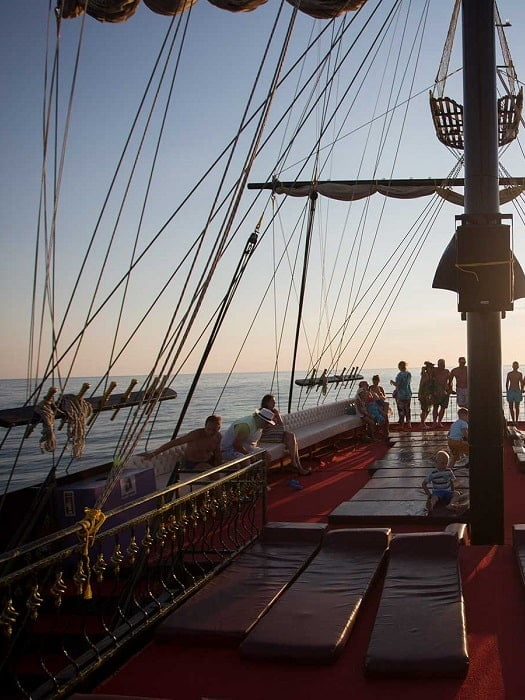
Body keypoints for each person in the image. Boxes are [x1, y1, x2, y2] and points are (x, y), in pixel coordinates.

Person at [145, 414, 222, 471]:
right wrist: (153, 454)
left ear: (218, 428)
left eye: (214, 430)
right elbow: (174, 443)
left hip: (208, 460)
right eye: (209, 429)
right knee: (212, 473)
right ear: (205, 426)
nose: (211, 432)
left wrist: (219, 462)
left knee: (227, 467)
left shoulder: (218, 437)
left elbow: (217, 452)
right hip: (193, 463)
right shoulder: (196, 434)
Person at [258, 394, 311, 475]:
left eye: (275, 402)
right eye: (273, 402)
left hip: (275, 434)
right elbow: (261, 427)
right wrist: (271, 425)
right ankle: (296, 465)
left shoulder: (274, 411)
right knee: (291, 437)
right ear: (267, 402)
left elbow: (281, 425)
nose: (274, 403)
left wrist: (277, 414)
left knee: (292, 439)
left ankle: (297, 465)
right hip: (265, 436)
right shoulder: (262, 412)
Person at [422, 450, 464, 514]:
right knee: (434, 498)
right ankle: (431, 506)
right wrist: (429, 495)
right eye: (442, 463)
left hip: (447, 492)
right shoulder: (433, 473)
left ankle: (450, 504)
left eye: (446, 463)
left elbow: (451, 481)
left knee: (457, 494)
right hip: (437, 493)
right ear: (436, 463)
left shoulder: (449, 471)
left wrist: (453, 491)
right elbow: (424, 484)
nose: (444, 465)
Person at [390, 360, 412, 429]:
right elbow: (407, 384)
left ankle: (401, 425)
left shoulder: (400, 375)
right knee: (407, 410)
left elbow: (398, 385)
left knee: (401, 410)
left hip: (401, 395)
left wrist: (392, 382)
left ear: (400, 367)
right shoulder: (408, 374)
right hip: (408, 394)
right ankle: (409, 424)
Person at [430, 358, 450, 429]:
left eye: (443, 364)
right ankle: (434, 422)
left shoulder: (447, 371)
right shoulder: (434, 370)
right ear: (438, 364)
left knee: (443, 408)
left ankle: (439, 422)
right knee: (435, 407)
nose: (442, 365)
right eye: (440, 364)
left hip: (445, 392)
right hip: (436, 392)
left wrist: (450, 390)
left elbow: (450, 381)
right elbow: (430, 379)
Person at [506, 361, 524, 425]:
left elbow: (521, 383)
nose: (515, 367)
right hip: (511, 391)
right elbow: (507, 383)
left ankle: (516, 421)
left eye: (516, 366)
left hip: (517, 391)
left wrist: (521, 390)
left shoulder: (520, 374)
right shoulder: (509, 374)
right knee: (511, 407)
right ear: (512, 366)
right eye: (514, 365)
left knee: (517, 407)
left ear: (518, 366)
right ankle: (513, 421)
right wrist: (507, 392)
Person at [417, 362, 434, 429]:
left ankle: (422, 422)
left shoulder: (430, 375)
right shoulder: (425, 375)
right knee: (424, 409)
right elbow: (421, 385)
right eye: (431, 368)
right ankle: (422, 423)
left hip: (428, 395)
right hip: (424, 395)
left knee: (427, 409)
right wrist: (420, 395)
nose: (432, 369)